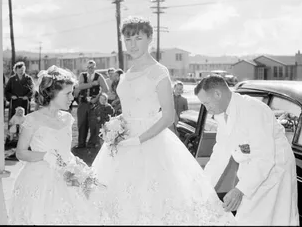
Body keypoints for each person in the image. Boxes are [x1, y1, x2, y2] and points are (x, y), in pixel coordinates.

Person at [89, 16, 235, 225]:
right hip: (122, 140)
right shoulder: (127, 74)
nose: (132, 45)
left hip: (150, 141)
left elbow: (168, 116)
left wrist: (139, 140)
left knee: (153, 203)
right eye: (128, 40)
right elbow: (129, 109)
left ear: (150, 38)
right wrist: (115, 126)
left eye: (138, 38)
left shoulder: (158, 71)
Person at [194, 75, 299, 225]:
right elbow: (220, 155)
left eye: (206, 103)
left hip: (275, 170)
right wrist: (204, 187)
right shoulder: (222, 116)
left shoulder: (253, 110)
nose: (207, 108)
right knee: (249, 218)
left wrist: (240, 190)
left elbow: (264, 158)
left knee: (272, 219)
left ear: (218, 94)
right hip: (253, 171)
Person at [8, 65, 98, 225]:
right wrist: (44, 156)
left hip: (67, 174)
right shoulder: (32, 120)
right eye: (68, 93)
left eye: (73, 93)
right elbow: (21, 153)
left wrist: (79, 167)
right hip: (40, 178)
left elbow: (65, 150)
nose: (72, 98)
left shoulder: (67, 118)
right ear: (52, 93)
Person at [74, 60, 109, 148]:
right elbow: (80, 86)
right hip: (83, 103)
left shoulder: (99, 76)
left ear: (95, 67)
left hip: (94, 104)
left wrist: (97, 98)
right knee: (82, 123)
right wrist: (92, 84)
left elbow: (106, 89)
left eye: (92, 67)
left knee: (94, 124)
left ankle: (92, 144)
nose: (90, 69)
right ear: (86, 68)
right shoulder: (82, 75)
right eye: (88, 67)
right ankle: (81, 144)